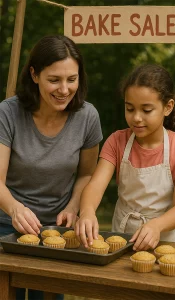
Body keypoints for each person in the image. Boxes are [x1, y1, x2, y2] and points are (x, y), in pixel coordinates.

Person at [0, 35, 102, 300]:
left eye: (72, 79)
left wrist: (72, 207)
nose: (65, 89)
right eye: (54, 80)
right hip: (6, 225)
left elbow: (87, 174)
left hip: (57, 232)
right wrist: (15, 209)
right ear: (34, 75)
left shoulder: (87, 117)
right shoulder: (7, 113)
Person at [76, 64, 175, 252]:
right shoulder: (117, 141)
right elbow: (95, 186)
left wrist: (156, 226)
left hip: (166, 243)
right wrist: (86, 212)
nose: (137, 118)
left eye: (146, 110)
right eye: (130, 109)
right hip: (121, 239)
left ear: (168, 107)